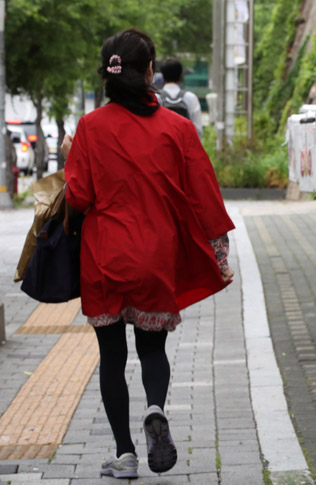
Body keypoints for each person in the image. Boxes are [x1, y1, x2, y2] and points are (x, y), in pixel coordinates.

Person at [62, 29, 234, 479]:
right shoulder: (177, 129)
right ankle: (155, 407)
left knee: (112, 357)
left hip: (104, 258)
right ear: (151, 72)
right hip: (155, 258)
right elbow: (204, 195)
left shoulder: (90, 127)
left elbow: (78, 196)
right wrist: (219, 249)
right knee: (152, 348)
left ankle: (125, 455)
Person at [159, 59, 204, 139]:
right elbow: (198, 131)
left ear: (162, 76)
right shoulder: (191, 98)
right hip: (183, 149)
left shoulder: (156, 97)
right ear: (181, 76)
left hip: (162, 149)